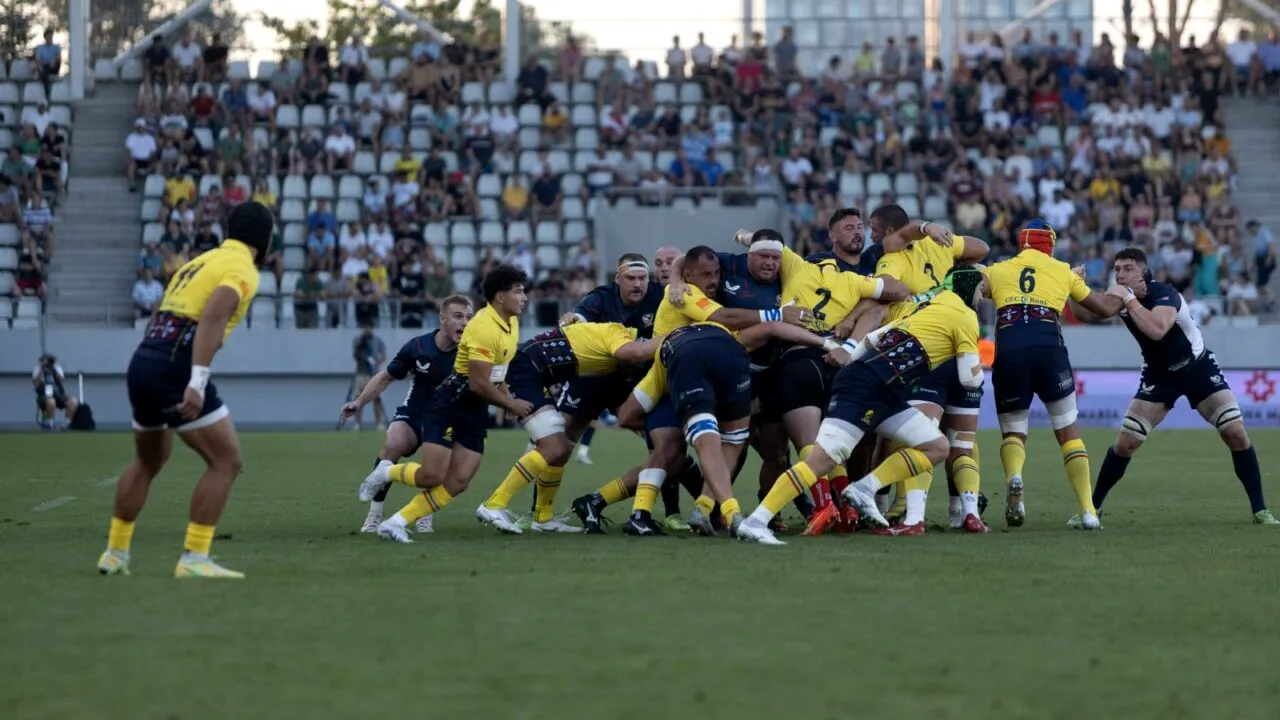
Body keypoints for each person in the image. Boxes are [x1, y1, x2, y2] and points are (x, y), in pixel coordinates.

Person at [737, 267, 986, 545]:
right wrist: (979, 363)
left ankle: (864, 489)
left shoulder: (925, 307)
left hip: (881, 389)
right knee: (822, 460)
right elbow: (969, 379)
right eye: (979, 290)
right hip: (867, 387)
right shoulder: (966, 317)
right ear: (968, 290)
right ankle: (756, 521)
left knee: (936, 446)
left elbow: (872, 338)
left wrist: (850, 358)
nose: (982, 296)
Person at [96, 201, 273, 579]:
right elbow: (213, 314)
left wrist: (154, 365)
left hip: (145, 358)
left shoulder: (197, 262)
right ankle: (194, 558)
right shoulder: (242, 268)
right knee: (226, 461)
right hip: (177, 366)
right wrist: (196, 381)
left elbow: (161, 311)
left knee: (148, 460)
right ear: (265, 239)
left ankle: (115, 553)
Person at [614, 245, 814, 536]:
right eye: (706, 274)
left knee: (686, 445)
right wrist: (781, 314)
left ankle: (628, 507)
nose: (714, 280)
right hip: (677, 370)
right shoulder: (690, 294)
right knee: (696, 443)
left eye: (716, 274)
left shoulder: (711, 288)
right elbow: (725, 319)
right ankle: (716, 510)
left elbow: (751, 328)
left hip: (686, 371)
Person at [1069, 248, 1278, 526]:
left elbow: (1157, 329)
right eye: (1117, 268)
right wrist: (1074, 287)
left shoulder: (1165, 293)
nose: (1120, 273)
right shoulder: (1120, 297)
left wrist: (1127, 298)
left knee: (1236, 433)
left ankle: (1260, 510)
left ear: (1144, 272)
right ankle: (1092, 509)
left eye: (1128, 268)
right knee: (1126, 444)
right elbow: (1086, 315)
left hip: (1197, 368)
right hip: (1159, 374)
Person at [835, 205, 989, 535]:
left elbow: (886, 292)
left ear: (890, 231)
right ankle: (967, 509)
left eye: (875, 230)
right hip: (957, 341)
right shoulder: (941, 250)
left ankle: (907, 512)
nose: (871, 236)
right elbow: (981, 248)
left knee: (920, 437)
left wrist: (850, 323)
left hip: (918, 351)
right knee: (961, 441)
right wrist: (953, 250)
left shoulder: (890, 257)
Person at [357, 265, 529, 543]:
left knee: (459, 481)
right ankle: (385, 471)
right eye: (518, 291)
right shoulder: (483, 328)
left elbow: (498, 370)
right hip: (450, 403)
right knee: (431, 475)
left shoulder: (512, 323)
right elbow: (478, 383)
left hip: (474, 410)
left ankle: (395, 522)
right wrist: (511, 402)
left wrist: (506, 395)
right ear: (499, 297)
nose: (525, 297)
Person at [978, 220, 1119, 531]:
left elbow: (974, 289)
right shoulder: (1063, 270)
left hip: (1010, 349)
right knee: (1068, 433)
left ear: (1022, 244)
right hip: (1049, 349)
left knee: (1014, 433)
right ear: (1050, 245)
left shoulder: (999, 270)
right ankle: (1087, 511)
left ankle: (1015, 477)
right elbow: (1102, 309)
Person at [476, 320, 664, 533]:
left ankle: (543, 518)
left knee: (561, 447)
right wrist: (673, 335)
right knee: (553, 446)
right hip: (526, 369)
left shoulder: (611, 340)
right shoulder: (618, 333)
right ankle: (493, 504)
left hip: (534, 373)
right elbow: (638, 353)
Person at [342, 295, 474, 534]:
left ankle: (423, 513)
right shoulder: (418, 347)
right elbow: (385, 377)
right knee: (393, 444)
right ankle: (375, 514)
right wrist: (359, 402)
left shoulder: (472, 351)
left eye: (468, 317)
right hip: (414, 414)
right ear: (442, 319)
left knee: (439, 467)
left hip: (446, 419)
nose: (464, 323)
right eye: (458, 316)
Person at [349, 325, 387, 431]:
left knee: (377, 399)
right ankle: (357, 423)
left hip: (374, 373)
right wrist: (361, 347)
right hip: (361, 373)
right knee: (358, 398)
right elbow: (356, 356)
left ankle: (379, 423)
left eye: (369, 327)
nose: (367, 330)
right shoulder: (358, 340)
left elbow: (384, 356)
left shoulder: (377, 340)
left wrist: (376, 362)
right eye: (365, 327)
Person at [33, 354, 79, 431]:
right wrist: (42, 370)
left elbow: (61, 381)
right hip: (44, 395)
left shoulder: (57, 368)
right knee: (51, 401)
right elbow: (36, 384)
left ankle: (67, 422)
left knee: (73, 401)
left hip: (58, 394)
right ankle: (50, 422)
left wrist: (53, 370)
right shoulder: (37, 369)